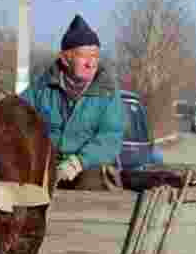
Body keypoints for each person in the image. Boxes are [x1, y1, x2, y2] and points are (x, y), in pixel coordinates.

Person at [20, 14, 125, 189]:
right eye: (84, 56)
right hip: (45, 165)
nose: (91, 63)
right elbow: (18, 118)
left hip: (87, 168)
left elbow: (110, 137)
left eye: (95, 56)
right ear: (65, 58)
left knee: (91, 181)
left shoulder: (107, 94)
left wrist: (77, 163)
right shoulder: (41, 90)